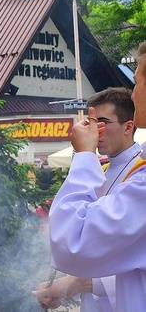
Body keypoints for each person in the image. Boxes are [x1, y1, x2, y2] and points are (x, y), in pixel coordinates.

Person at [40, 41, 146, 312]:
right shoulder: (106, 171)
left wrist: (84, 156)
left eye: (137, 81)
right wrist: (74, 284)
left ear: (128, 127)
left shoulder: (139, 173)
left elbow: (73, 241)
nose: (134, 95)